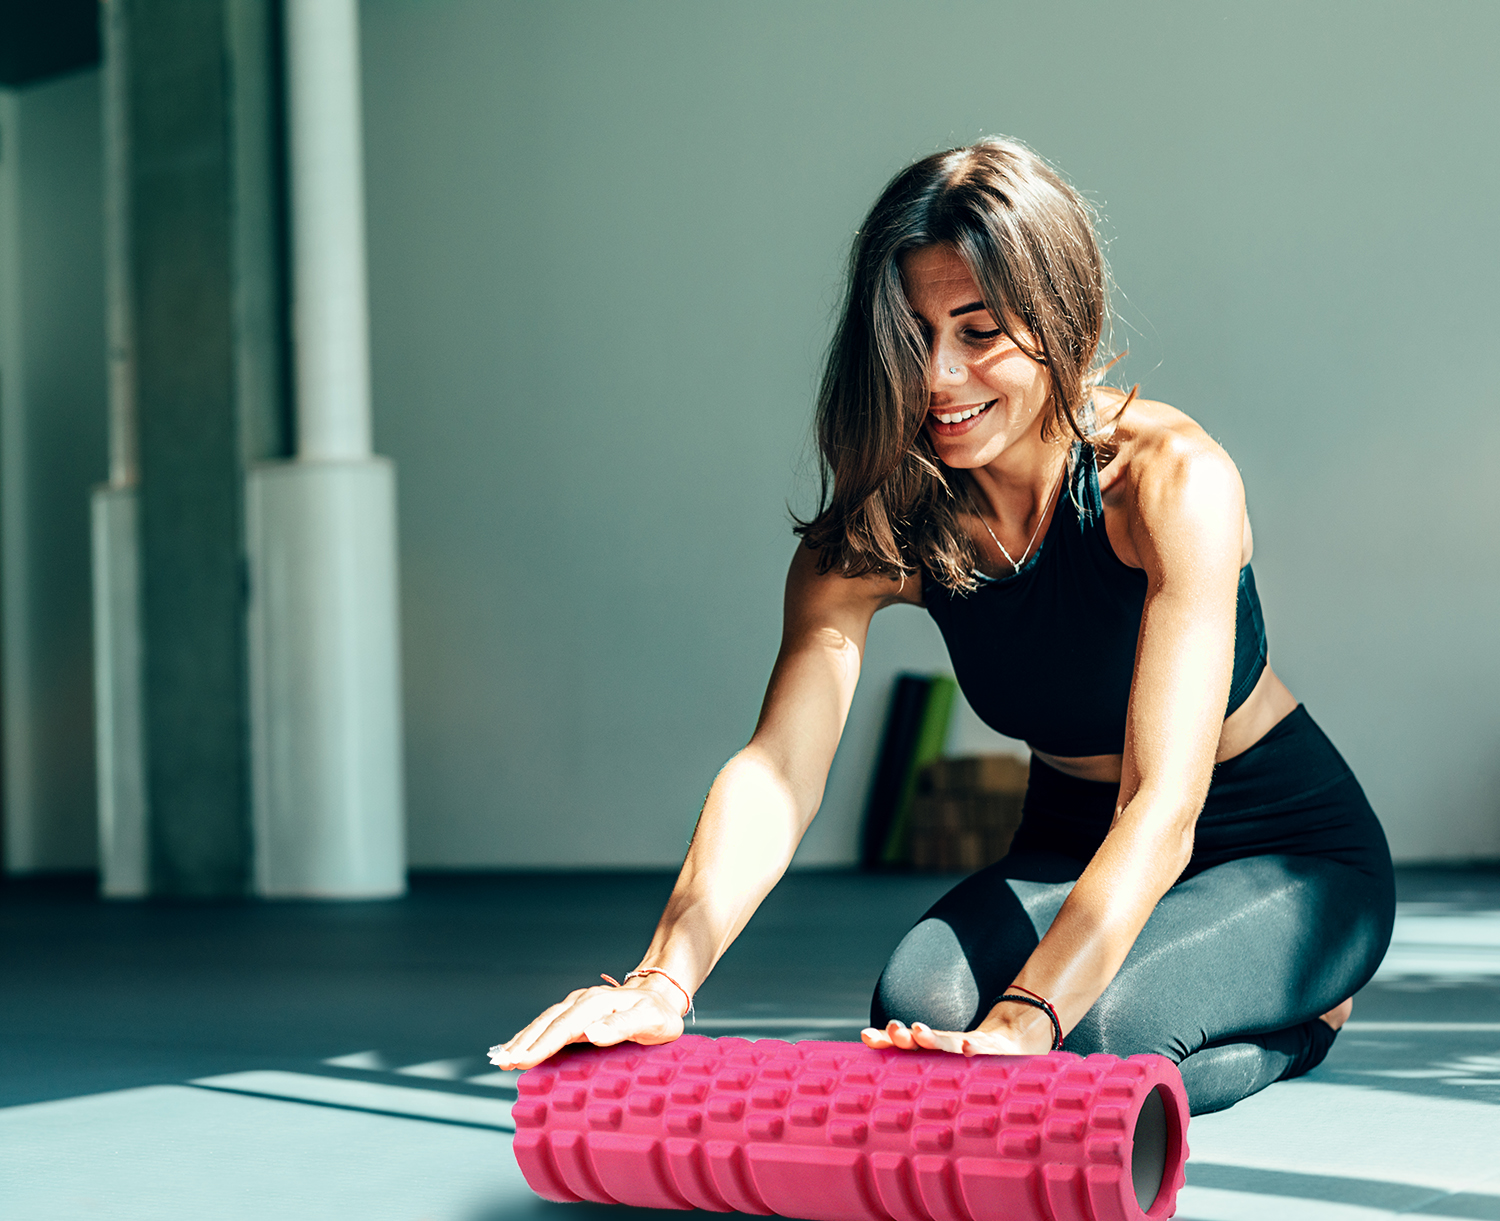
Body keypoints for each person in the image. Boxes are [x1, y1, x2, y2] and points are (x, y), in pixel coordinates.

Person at [489, 137, 1395, 1114]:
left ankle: (1310, 1013)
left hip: (1277, 848)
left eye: (980, 331)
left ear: (1060, 317)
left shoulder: (1172, 484)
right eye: (911, 336)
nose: (938, 377)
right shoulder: (887, 525)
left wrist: (1028, 1017)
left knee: (1094, 1033)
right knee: (916, 1014)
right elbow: (779, 770)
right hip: (1067, 844)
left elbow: (1163, 806)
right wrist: (662, 979)